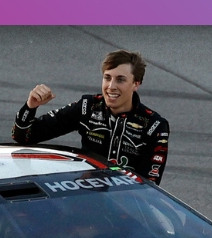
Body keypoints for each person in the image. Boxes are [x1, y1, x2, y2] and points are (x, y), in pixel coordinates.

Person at [12, 50, 169, 184]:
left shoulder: (154, 126)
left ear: (136, 83)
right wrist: (30, 107)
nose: (111, 86)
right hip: (86, 198)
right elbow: (24, 137)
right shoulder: (88, 107)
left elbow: (149, 186)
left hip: (126, 206)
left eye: (120, 79)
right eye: (107, 77)